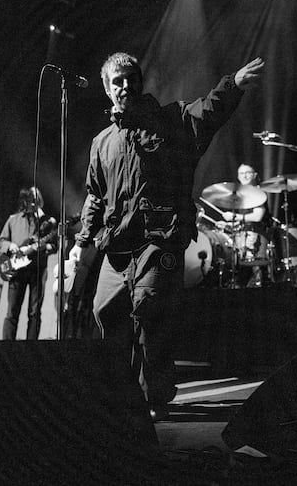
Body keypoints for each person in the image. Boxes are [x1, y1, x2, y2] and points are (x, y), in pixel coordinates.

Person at [69, 52, 264, 421]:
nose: (125, 86)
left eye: (130, 78)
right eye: (117, 82)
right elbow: (95, 195)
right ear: (107, 89)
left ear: (139, 81)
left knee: (150, 311)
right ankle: (122, 395)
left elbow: (208, 111)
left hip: (159, 239)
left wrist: (232, 85)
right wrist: (80, 244)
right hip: (118, 246)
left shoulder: (169, 121)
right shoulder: (102, 142)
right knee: (104, 311)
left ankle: (155, 399)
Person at [0, 187, 57, 340]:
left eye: (36, 199)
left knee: (35, 312)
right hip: (17, 270)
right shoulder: (13, 220)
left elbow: (54, 246)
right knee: (12, 312)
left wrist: (44, 247)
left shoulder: (47, 222)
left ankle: (32, 348)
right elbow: (1, 242)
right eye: (30, 198)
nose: (33, 201)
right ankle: (7, 347)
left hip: (37, 269)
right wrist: (11, 246)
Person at [218, 163, 272, 287]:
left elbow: (257, 216)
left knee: (255, 274)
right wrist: (228, 224)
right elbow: (245, 221)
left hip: (257, 237)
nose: (245, 176)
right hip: (243, 237)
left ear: (255, 175)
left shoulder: (258, 192)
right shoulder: (242, 195)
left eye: (248, 173)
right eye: (241, 173)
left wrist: (235, 217)